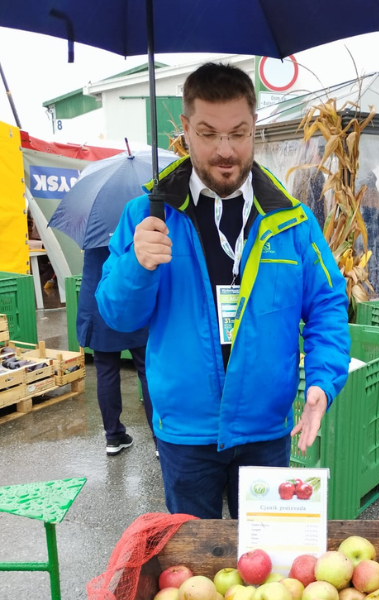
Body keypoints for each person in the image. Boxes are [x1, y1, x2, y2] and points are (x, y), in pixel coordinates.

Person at [96, 63, 350, 519]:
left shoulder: (292, 220)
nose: (226, 150)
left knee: (268, 569)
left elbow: (327, 303)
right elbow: (117, 317)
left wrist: (322, 380)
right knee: (193, 574)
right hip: (185, 434)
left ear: (255, 129)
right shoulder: (147, 216)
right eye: (209, 134)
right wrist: (138, 265)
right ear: (186, 131)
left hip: (267, 429)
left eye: (239, 133)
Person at [78, 245, 154, 456]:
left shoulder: (92, 228)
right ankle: (159, 439)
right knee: (147, 371)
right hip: (133, 304)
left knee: (106, 372)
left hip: (99, 306)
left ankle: (113, 437)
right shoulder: (133, 222)